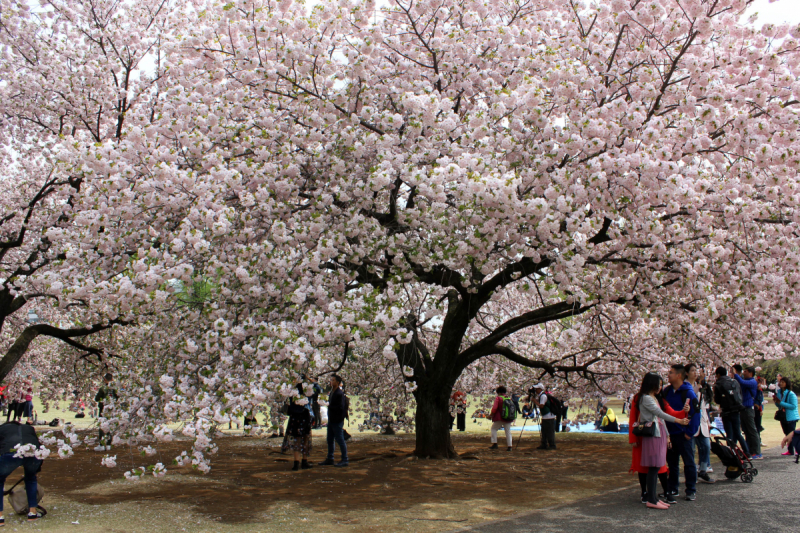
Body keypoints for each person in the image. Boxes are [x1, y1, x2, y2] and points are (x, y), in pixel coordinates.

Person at [635, 372, 691, 509]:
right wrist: (678, 420)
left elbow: (660, 419)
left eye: (661, 385)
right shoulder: (646, 398)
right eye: (658, 384)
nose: (660, 387)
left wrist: (667, 436)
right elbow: (660, 415)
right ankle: (651, 499)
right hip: (653, 435)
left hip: (659, 434)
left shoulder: (653, 398)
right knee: (653, 467)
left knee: (656, 467)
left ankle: (653, 498)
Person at [662, 364, 700, 502]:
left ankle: (690, 490)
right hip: (670, 434)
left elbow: (696, 413)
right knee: (672, 463)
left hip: (683, 434)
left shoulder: (688, 392)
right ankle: (673, 488)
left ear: (679, 375)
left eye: (671, 372)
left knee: (688, 462)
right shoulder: (666, 391)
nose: (668, 375)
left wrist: (690, 432)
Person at [0, 420, 45, 522]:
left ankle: (0, 516)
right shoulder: (29, 428)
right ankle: (32, 513)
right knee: (31, 478)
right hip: (33, 452)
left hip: (11, 452)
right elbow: (38, 444)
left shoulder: (2, 429)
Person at [686, 364, 715, 484]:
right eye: (692, 370)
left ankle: (703, 470)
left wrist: (704, 383)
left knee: (706, 447)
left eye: (696, 370)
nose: (695, 373)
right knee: (691, 450)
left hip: (702, 421)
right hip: (691, 421)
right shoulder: (685, 386)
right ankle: (692, 474)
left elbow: (706, 402)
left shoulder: (700, 386)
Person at [713, 366, 749, 457]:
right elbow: (739, 394)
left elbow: (717, 400)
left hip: (726, 411)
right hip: (736, 409)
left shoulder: (718, 384)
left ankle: (732, 453)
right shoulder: (734, 381)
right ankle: (747, 452)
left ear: (718, 374)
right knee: (738, 432)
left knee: (729, 433)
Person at [732, 365, 762, 459]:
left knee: (752, 431)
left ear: (750, 373)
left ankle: (757, 452)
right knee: (747, 431)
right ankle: (749, 451)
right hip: (744, 408)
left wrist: (735, 373)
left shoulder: (752, 382)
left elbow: (741, 381)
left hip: (749, 408)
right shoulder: (748, 381)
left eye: (745, 371)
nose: (743, 373)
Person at [282, 384, 314, 471]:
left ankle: (297, 462)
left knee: (298, 439)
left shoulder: (292, 390)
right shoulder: (306, 390)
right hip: (303, 415)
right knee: (305, 438)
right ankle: (303, 461)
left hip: (296, 416)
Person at [318, 374, 348, 467]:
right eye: (331, 380)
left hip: (337, 420)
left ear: (338, 383)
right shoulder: (332, 392)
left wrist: (329, 405)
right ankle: (330, 458)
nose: (331, 381)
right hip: (331, 419)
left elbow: (340, 407)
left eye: (333, 380)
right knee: (330, 439)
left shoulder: (339, 393)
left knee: (340, 439)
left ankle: (345, 459)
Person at [774, 376, 798, 457]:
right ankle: (790, 450)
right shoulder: (779, 393)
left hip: (791, 417)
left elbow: (793, 406)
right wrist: (776, 401)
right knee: (786, 433)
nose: (781, 383)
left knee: (791, 434)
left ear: (787, 384)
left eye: (783, 382)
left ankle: (796, 449)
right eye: (780, 382)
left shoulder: (791, 394)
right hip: (783, 417)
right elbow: (779, 404)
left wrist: (780, 403)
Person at [94, 373, 117, 452]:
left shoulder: (103, 388)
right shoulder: (115, 388)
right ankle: (108, 444)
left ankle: (101, 444)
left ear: (105, 379)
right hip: (112, 409)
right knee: (110, 426)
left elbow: (97, 398)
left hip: (103, 409)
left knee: (102, 426)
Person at [488, 386, 514, 451]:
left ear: (498, 392)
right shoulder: (508, 398)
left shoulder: (498, 398)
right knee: (508, 431)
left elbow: (494, 408)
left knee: (493, 429)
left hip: (500, 417)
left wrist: (491, 415)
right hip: (508, 417)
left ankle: (495, 443)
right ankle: (510, 446)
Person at [532, 384, 556, 450]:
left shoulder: (543, 396)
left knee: (549, 431)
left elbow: (542, 406)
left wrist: (535, 401)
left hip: (549, 416)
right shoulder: (541, 396)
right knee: (544, 431)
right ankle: (544, 444)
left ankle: (552, 445)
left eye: (537, 389)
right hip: (545, 416)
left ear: (540, 389)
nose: (535, 390)